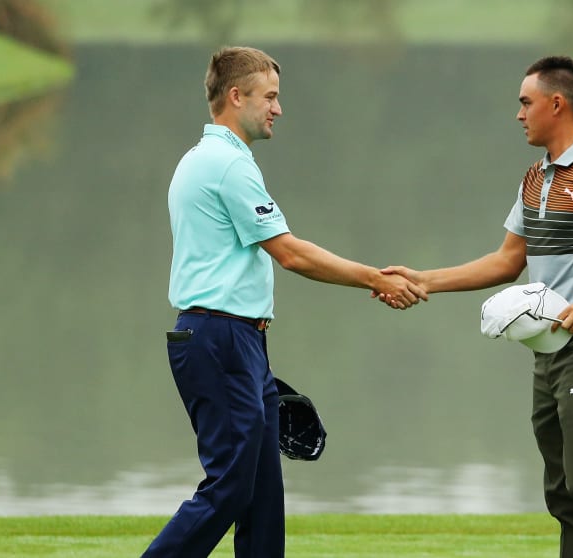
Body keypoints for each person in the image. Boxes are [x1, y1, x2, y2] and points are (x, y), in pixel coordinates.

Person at [380, 55, 573, 557]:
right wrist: (423, 279)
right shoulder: (535, 179)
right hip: (550, 348)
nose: (519, 114)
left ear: (556, 104)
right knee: (563, 488)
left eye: (526, 102)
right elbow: (506, 262)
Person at [145, 46, 426, 558]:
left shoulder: (205, 159)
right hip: (221, 339)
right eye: (270, 97)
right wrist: (374, 277)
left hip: (236, 341)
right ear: (236, 96)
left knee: (262, 498)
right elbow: (291, 254)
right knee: (231, 488)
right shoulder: (227, 165)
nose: (278, 108)